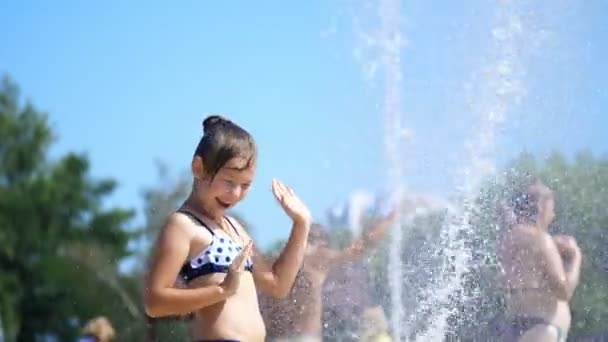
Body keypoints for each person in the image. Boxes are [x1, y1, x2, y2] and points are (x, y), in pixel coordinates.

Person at [144, 115, 311, 342]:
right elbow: (155, 302)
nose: (236, 194)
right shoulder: (183, 224)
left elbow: (277, 284)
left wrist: (301, 225)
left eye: (245, 185)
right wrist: (220, 291)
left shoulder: (235, 228)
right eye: (229, 181)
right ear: (198, 168)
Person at [266, 210, 397, 342]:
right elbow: (358, 249)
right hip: (307, 336)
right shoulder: (315, 259)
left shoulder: (284, 262)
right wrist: (386, 223)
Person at [493, 179, 582, 342]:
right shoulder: (541, 240)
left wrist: (554, 249)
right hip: (541, 330)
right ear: (541, 207)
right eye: (552, 209)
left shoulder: (508, 240)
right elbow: (564, 291)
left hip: (517, 326)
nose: (553, 215)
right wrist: (576, 258)